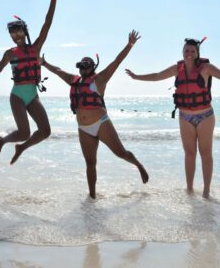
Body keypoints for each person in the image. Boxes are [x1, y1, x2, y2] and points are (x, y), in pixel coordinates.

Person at [125, 38, 220, 199]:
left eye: (192, 51)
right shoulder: (177, 69)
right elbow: (157, 76)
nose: (189, 53)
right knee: (189, 153)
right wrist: (136, 77)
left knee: (206, 153)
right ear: (182, 53)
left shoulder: (206, 68)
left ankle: (206, 191)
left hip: (205, 116)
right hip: (185, 116)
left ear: (197, 53)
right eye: (186, 50)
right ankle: (190, 189)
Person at [41, 31, 149, 199]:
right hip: (84, 128)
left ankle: (138, 165)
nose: (83, 68)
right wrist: (44, 63)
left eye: (87, 65)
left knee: (120, 153)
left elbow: (117, 61)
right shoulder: (74, 80)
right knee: (90, 163)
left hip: (101, 123)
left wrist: (129, 45)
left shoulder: (100, 79)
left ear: (92, 67)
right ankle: (92, 198)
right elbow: (57, 70)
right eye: (81, 66)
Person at [0, 0, 58, 164]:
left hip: (32, 95)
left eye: (19, 32)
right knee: (23, 132)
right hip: (17, 95)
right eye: (12, 34)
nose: (16, 36)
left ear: (25, 32)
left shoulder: (36, 47)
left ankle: (21, 147)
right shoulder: (10, 53)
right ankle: (3, 140)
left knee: (45, 131)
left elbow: (47, 23)